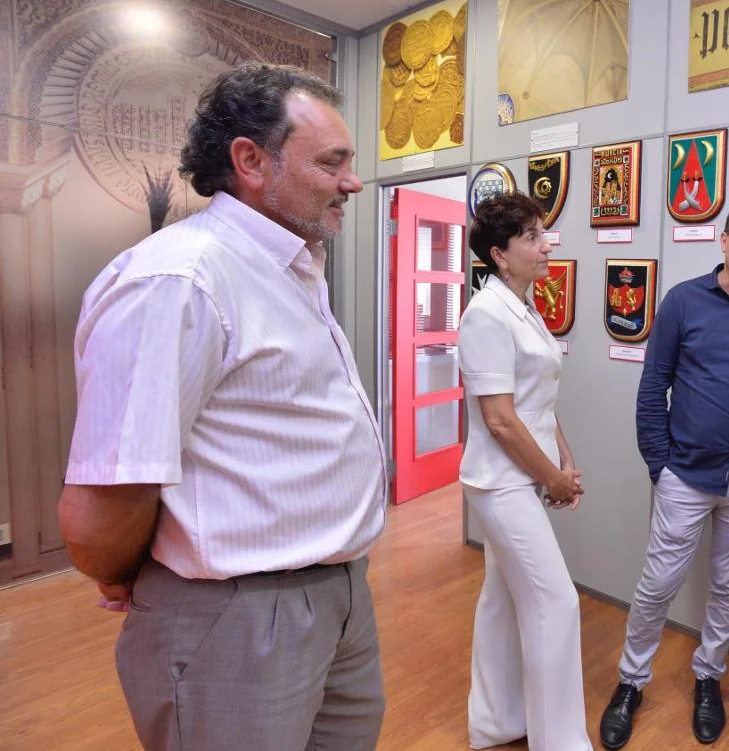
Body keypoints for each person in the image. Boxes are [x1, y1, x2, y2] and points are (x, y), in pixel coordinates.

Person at [56, 62, 386, 749]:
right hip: (239, 615)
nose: (352, 182)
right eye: (333, 163)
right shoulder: (181, 279)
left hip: (339, 594)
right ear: (250, 160)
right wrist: (131, 578)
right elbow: (105, 503)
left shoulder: (290, 268)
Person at [599, 196, 729, 748]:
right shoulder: (682, 302)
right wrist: (659, 461)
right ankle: (630, 682)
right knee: (658, 584)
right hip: (686, 474)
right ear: (724, 238)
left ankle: (709, 676)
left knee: (728, 585)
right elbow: (654, 386)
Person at [458, 191, 590, 751]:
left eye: (543, 233)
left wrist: (565, 456)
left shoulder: (524, 304)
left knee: (503, 599)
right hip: (501, 481)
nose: (545, 245)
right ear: (500, 254)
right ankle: (560, 742)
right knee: (556, 603)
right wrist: (553, 480)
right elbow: (501, 421)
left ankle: (496, 721)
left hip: (522, 473)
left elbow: (536, 399)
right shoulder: (485, 314)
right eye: (532, 237)